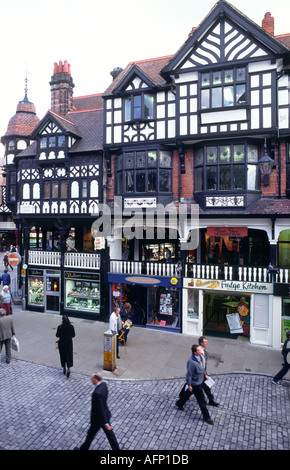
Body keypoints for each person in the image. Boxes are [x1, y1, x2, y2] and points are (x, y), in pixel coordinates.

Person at [74, 372, 120, 450]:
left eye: (91, 378)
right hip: (105, 415)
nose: (90, 379)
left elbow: (100, 408)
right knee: (108, 435)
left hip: (98, 419)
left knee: (91, 435)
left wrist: (105, 423)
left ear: (95, 380)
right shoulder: (104, 385)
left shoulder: (97, 393)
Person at [175, 344, 214, 425]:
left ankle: (179, 403)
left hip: (199, 380)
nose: (201, 351)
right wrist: (189, 385)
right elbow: (189, 374)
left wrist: (205, 374)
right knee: (202, 401)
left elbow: (201, 367)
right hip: (195, 384)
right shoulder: (191, 362)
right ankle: (207, 417)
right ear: (195, 352)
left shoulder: (199, 357)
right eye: (199, 350)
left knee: (187, 394)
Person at [198, 336, 219, 406]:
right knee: (193, 388)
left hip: (202, 373)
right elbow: (199, 366)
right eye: (205, 342)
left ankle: (211, 400)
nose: (207, 343)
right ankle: (181, 400)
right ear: (201, 343)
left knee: (207, 387)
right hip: (200, 374)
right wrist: (204, 374)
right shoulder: (199, 352)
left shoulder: (204, 349)